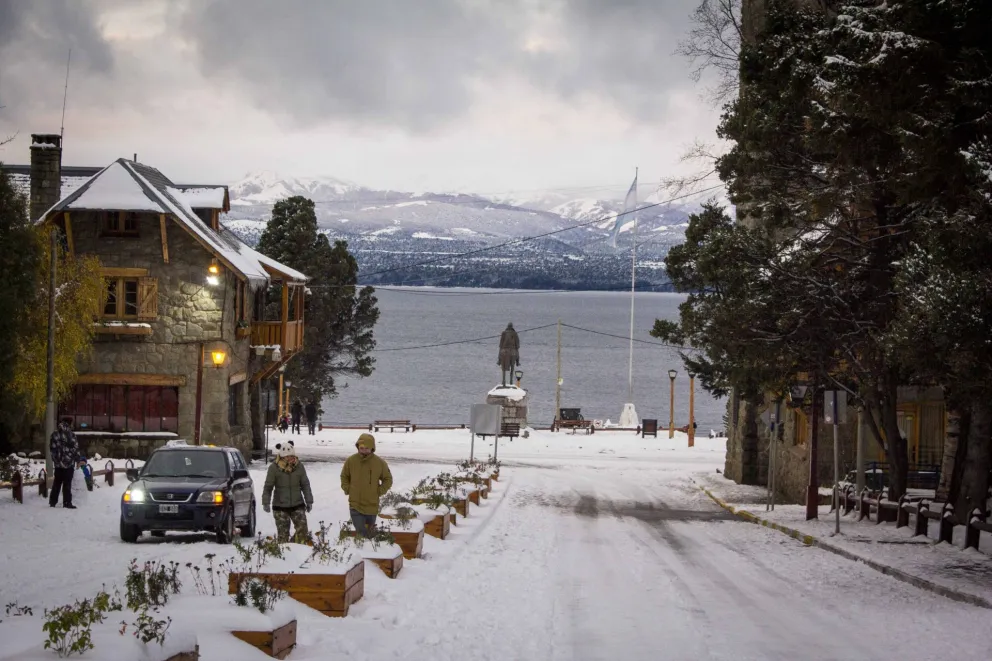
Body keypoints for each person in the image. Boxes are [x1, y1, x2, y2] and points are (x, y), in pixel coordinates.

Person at [340, 433, 393, 537]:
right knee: (361, 532)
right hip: (356, 504)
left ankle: (370, 551)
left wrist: (379, 491)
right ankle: (360, 550)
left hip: (371, 505)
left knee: (370, 534)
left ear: (372, 448)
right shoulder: (351, 461)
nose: (363, 450)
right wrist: (348, 489)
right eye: (361, 448)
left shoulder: (379, 463)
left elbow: (388, 479)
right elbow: (344, 476)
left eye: (366, 448)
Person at [261, 441, 313, 543]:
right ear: (281, 457)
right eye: (287, 457)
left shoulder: (299, 466)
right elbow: (268, 487)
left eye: (291, 456)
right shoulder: (274, 468)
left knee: (302, 532)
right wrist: (265, 502)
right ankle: (285, 553)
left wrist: (309, 500)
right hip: (280, 506)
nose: (290, 459)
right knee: (283, 537)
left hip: (297, 504)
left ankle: (295, 547)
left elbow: (305, 485)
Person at [49, 418, 82, 509]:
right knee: (67, 484)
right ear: (69, 423)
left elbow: (52, 449)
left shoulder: (55, 434)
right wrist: (78, 460)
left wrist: (56, 460)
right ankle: (67, 502)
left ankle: (52, 502)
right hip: (69, 463)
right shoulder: (71, 435)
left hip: (58, 464)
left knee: (57, 483)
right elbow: (75, 449)